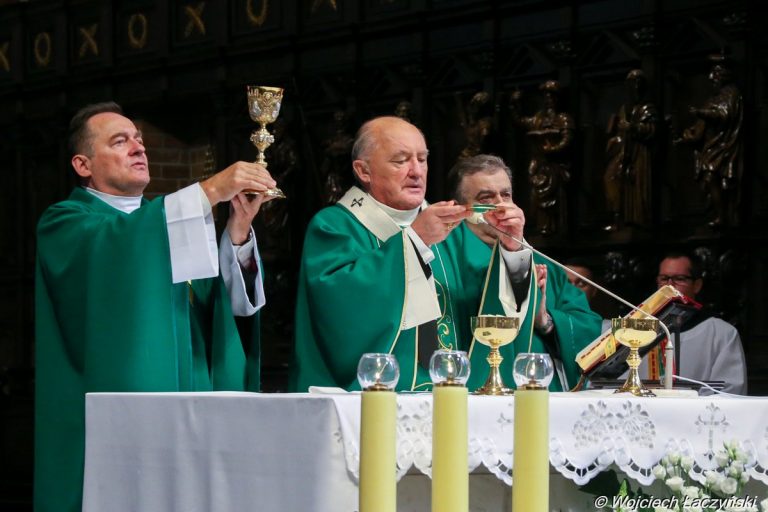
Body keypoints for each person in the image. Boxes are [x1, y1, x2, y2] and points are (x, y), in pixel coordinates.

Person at [34, 102, 276, 512]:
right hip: (117, 422)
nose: (138, 147)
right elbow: (118, 244)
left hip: (193, 413)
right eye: (120, 141)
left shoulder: (171, 220)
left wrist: (237, 233)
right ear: (82, 164)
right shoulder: (65, 222)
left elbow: (215, 311)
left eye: (139, 139)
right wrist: (209, 191)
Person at [289, 120, 601, 394]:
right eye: (401, 160)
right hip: (373, 395)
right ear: (363, 171)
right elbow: (339, 309)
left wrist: (512, 250)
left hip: (450, 395)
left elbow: (496, 312)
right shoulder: (335, 226)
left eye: (422, 159)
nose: (416, 171)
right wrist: (414, 241)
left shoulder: (452, 231)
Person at [638, 251, 747, 394]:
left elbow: (730, 389)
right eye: (664, 279)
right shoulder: (637, 330)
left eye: (679, 279)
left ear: (697, 285)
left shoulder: (721, 333)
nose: (669, 286)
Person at [674, 54, 743, 228]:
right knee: (708, 182)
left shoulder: (731, 93)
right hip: (712, 147)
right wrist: (684, 138)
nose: (711, 78)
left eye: (715, 75)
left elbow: (724, 115)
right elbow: (699, 128)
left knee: (713, 178)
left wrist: (700, 112)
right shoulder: (713, 99)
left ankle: (723, 217)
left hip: (724, 146)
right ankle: (716, 214)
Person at [509, 80, 574, 235]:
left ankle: (554, 227)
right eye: (546, 97)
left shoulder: (563, 118)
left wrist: (551, 149)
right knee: (537, 196)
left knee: (553, 197)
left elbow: (567, 139)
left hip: (555, 165)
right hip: (540, 164)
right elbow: (520, 120)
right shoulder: (539, 118)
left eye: (552, 96)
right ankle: (542, 226)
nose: (549, 100)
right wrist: (514, 104)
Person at [603, 69, 658, 231]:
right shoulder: (624, 108)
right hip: (623, 150)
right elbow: (618, 131)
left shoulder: (648, 108)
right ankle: (618, 218)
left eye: (638, 83)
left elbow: (652, 130)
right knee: (610, 178)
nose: (635, 87)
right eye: (632, 83)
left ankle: (637, 220)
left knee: (637, 184)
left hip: (640, 151)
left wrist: (632, 127)